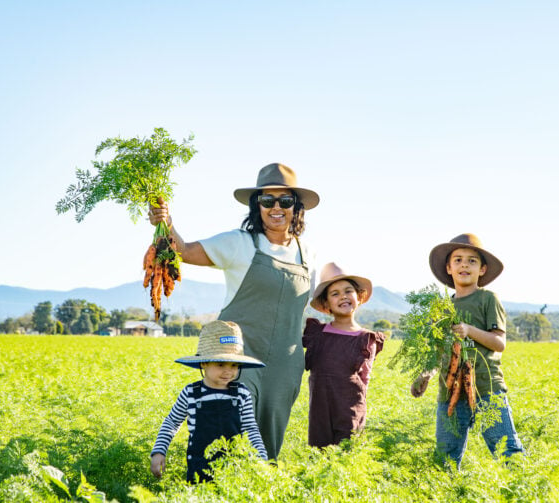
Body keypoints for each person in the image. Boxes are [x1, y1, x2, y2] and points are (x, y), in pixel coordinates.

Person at [148, 162, 318, 459]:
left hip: (285, 364)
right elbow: (184, 251)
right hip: (237, 358)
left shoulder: (308, 253)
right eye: (267, 201)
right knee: (229, 432)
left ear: (296, 207)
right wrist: (166, 223)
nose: (276, 207)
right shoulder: (239, 243)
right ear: (257, 206)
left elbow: (317, 303)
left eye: (285, 201)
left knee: (268, 443)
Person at [410, 233, 524, 469]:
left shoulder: (488, 299)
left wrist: (469, 330)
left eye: (472, 260)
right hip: (450, 392)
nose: (464, 264)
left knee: (507, 451)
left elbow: (499, 343)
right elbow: (440, 350)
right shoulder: (442, 307)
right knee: (445, 458)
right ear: (449, 268)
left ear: (482, 270)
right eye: (458, 259)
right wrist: (426, 374)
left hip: (486, 388)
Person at [150, 320, 267, 483]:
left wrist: (261, 459)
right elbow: (171, 422)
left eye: (234, 365)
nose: (228, 371)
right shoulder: (191, 393)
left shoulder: (241, 393)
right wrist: (159, 452)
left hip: (234, 468)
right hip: (199, 468)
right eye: (220, 364)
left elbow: (250, 428)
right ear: (204, 363)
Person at [302, 263, 385, 448]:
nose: (343, 297)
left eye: (348, 291)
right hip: (320, 409)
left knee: (347, 454)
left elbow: (366, 378)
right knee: (319, 454)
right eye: (335, 294)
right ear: (326, 304)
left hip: (350, 408)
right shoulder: (317, 334)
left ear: (359, 297)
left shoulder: (366, 338)